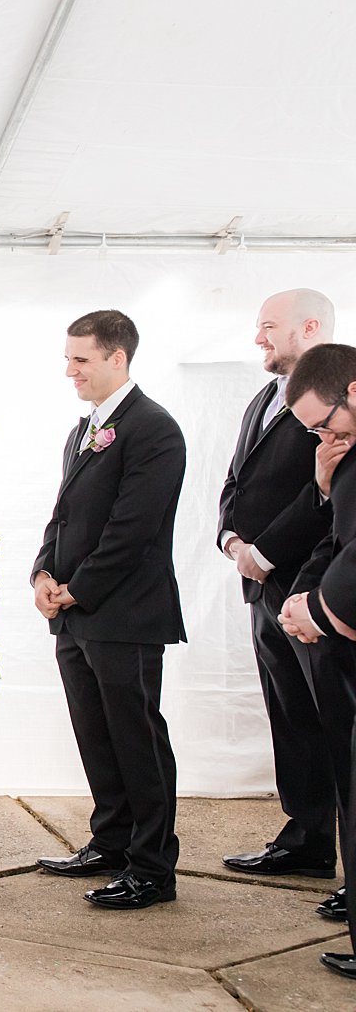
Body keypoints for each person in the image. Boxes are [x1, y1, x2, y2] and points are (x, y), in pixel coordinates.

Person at [31, 309, 187, 911]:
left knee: (137, 737)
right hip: (75, 613)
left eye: (81, 359)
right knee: (96, 734)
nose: (69, 370)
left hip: (126, 613)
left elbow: (134, 527)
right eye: (68, 358)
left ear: (117, 358)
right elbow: (63, 513)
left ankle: (152, 866)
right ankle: (111, 841)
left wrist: (78, 588)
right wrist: (44, 573)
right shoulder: (84, 429)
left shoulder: (153, 428)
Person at [217, 290, 346, 908]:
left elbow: (327, 497)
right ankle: (307, 837)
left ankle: (337, 850)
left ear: (310, 327)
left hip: (316, 588)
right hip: (262, 584)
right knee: (289, 713)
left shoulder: (340, 397)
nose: (259, 338)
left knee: (333, 719)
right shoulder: (263, 399)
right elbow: (237, 478)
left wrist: (265, 552)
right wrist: (230, 537)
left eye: (268, 326)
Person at [275, 342, 356, 979]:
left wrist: (319, 609)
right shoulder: (342, 456)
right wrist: (303, 597)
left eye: (324, 424)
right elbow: (337, 539)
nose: (323, 438)